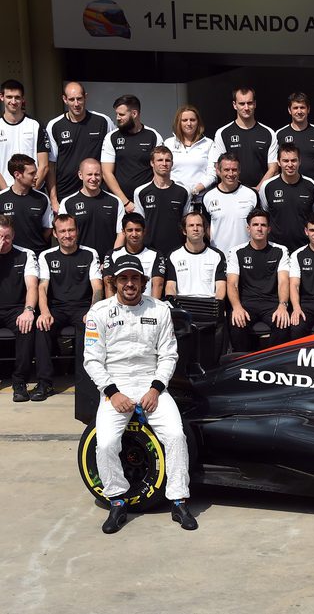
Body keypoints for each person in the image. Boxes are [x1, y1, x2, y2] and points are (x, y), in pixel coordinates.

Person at [84, 254, 196, 534]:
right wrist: (112, 392)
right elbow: (92, 360)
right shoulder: (99, 312)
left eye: (135, 278)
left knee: (175, 435)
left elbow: (169, 355)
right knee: (107, 442)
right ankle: (118, 501)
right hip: (115, 385)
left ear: (144, 282)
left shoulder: (159, 310)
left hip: (151, 384)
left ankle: (179, 499)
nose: (130, 284)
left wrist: (156, 388)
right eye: (124, 278)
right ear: (115, 282)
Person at [34, 214, 103, 401]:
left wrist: (93, 311)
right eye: (62, 231)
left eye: (71, 230)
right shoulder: (46, 256)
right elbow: (42, 286)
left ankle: (87, 384)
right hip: (57, 308)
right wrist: (45, 312)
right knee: (41, 328)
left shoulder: (90, 253)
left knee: (89, 330)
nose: (67, 235)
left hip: (83, 307)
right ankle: (44, 383)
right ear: (55, 234)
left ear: (77, 231)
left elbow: (97, 286)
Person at [226, 208, 290, 351]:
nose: (259, 228)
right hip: (247, 303)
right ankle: (242, 363)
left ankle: (274, 364)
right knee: (236, 322)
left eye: (263, 225)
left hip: (271, 303)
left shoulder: (280, 250)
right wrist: (236, 307)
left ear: (269, 229)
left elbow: (284, 282)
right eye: (255, 225)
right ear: (248, 229)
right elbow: (232, 283)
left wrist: (283, 305)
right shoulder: (236, 251)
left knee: (283, 321)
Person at [45, 81, 112, 212]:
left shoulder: (103, 121)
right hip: (65, 193)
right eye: (71, 99)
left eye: (79, 99)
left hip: (97, 192)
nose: (76, 104)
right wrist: (53, 199)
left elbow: (112, 159)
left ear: (85, 97)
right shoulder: (54, 126)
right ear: (64, 99)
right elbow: (51, 166)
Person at [100, 94, 163, 209]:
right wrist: (126, 203)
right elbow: (106, 173)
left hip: (148, 201)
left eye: (122, 114)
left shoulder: (153, 136)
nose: (118, 117)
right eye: (117, 114)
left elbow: (160, 170)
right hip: (120, 203)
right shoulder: (111, 137)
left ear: (134, 114)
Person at [0, 215, 38, 402]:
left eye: (7, 237)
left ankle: (20, 382)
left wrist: (29, 310)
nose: (3, 242)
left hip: (15, 308)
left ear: (13, 235)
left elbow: (32, 286)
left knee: (26, 326)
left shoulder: (26, 254)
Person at [209, 86, 278, 189]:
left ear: (254, 104)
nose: (246, 108)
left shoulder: (268, 133)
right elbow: (218, 167)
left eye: (249, 103)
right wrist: (240, 189)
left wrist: (258, 189)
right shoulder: (222, 133)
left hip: (261, 193)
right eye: (242, 104)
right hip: (232, 192)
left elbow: (273, 169)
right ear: (234, 105)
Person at [258, 143, 314, 252]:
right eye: (285, 161)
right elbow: (266, 213)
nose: (290, 164)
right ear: (278, 162)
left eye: (294, 160)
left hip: (304, 248)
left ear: (300, 161)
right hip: (275, 248)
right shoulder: (267, 186)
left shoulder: (312, 186)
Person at [58, 158, 124, 260]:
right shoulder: (67, 203)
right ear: (80, 175)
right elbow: (64, 235)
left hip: (107, 263)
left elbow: (121, 234)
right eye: (89, 174)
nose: (93, 178)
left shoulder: (115, 202)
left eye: (97, 174)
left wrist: (110, 260)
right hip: (78, 262)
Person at [132, 146, 191, 256]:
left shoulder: (183, 191)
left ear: (172, 164)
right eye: (160, 160)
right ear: (152, 163)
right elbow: (139, 225)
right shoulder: (140, 192)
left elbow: (186, 223)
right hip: (149, 251)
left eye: (167, 160)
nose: (164, 163)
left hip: (178, 251)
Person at [199, 153, 260, 254]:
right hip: (219, 256)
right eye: (226, 170)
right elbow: (206, 227)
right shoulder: (208, 197)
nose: (231, 174)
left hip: (247, 256)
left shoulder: (251, 194)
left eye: (234, 170)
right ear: (218, 171)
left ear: (239, 170)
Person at [164, 212, 227, 300]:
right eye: (191, 225)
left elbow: (221, 286)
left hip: (209, 305)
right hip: (182, 305)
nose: (195, 229)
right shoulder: (173, 255)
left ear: (204, 230)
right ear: (184, 231)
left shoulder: (217, 255)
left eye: (199, 225)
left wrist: (217, 305)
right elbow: (170, 286)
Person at [275, 92, 314, 186]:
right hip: (288, 187)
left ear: (308, 109)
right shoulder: (280, 134)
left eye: (302, 107)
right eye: (295, 108)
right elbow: (275, 164)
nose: (299, 111)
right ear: (289, 110)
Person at [0, 79, 48, 190]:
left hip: (33, 192)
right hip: (4, 193)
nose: (13, 101)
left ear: (23, 99)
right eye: (9, 97)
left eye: (17, 97)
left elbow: (44, 165)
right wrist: (7, 193)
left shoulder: (35, 125)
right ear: (2, 97)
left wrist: (32, 191)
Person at [0, 154, 53, 255]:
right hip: (9, 256)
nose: (36, 177)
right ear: (17, 175)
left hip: (36, 255)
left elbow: (48, 229)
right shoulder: (2, 198)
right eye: (32, 173)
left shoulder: (42, 198)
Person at [103, 213, 164, 299]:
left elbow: (158, 284)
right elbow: (108, 284)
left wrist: (154, 310)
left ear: (144, 231)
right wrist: (112, 309)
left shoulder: (156, 255)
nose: (134, 234)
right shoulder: (112, 254)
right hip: (120, 307)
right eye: (130, 230)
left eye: (138, 230)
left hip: (146, 307)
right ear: (123, 232)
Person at [163, 105, 214, 202]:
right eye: (184, 120)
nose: (189, 123)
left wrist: (194, 191)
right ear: (179, 123)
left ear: (198, 122)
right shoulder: (168, 143)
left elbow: (212, 174)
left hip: (200, 198)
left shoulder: (208, 143)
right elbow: (163, 170)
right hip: (174, 197)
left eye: (192, 120)